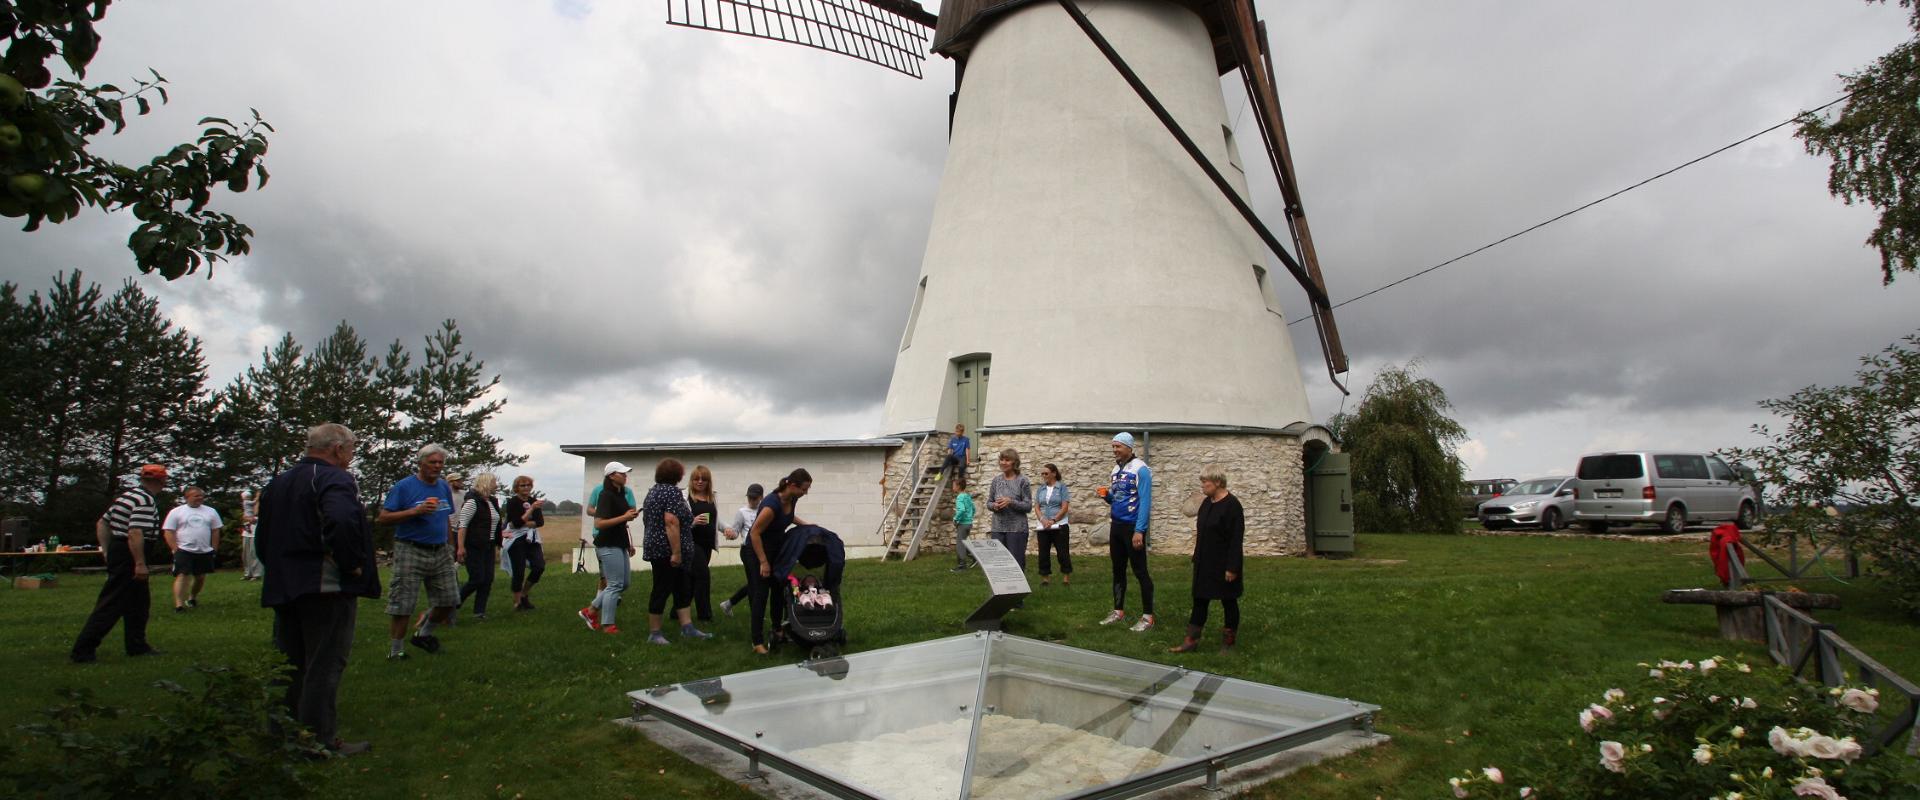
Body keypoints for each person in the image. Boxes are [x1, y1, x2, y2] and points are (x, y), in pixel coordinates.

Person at [256, 423, 379, 756]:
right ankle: (318, 742)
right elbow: (341, 520)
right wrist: (351, 562)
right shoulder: (335, 479)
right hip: (325, 585)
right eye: (352, 449)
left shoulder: (277, 483)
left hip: (285, 585)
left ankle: (280, 737)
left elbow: (262, 537)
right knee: (323, 663)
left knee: (288, 663)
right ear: (338, 449)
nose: (352, 456)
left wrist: (278, 568)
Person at [70, 463, 169, 663]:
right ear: (161, 481)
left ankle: (137, 645)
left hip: (119, 548)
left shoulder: (127, 496)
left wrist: (106, 551)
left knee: (139, 603)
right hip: (130, 553)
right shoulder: (145, 501)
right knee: (113, 602)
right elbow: (135, 532)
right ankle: (83, 650)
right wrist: (140, 563)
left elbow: (103, 522)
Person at [375, 444, 459, 659]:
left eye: (440, 462)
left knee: (449, 600)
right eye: (433, 462)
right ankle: (396, 652)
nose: (437, 466)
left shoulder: (443, 487)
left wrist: (451, 546)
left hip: (440, 550)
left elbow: (446, 518)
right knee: (403, 604)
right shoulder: (404, 487)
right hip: (410, 548)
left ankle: (423, 634)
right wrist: (415, 511)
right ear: (421, 463)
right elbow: (383, 518)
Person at [1171, 465, 1243, 653]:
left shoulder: (1232, 506)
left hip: (1224, 563)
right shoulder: (1206, 504)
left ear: (1218, 482)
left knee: (1229, 601)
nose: (1202, 486)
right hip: (1205, 562)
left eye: (1205, 482)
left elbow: (1236, 539)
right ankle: (1191, 641)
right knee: (1200, 600)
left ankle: (1228, 643)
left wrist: (1232, 567)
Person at [641, 459, 711, 645]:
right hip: (667, 551)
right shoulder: (671, 492)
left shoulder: (653, 492)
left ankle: (687, 627)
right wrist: (676, 553)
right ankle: (654, 633)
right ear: (677, 476)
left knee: (682, 587)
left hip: (658, 548)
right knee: (662, 588)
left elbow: (648, 520)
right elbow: (671, 522)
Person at [746, 468, 812, 655]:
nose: (805, 493)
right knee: (761, 594)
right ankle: (757, 642)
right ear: (792, 485)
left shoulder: (792, 498)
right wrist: (763, 563)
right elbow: (755, 533)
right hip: (756, 551)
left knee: (778, 590)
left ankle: (777, 630)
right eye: (803, 489)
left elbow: (789, 517)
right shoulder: (770, 505)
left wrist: (807, 526)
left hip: (776, 550)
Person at [1098, 432, 1156, 632]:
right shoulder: (1115, 469)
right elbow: (1118, 497)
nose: (1115, 450)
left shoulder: (1141, 469)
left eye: (1118, 446)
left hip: (1133, 527)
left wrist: (1140, 530)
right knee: (1118, 570)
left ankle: (1148, 616)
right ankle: (1118, 611)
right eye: (1113, 446)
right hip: (1117, 525)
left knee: (1140, 572)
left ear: (1129, 447)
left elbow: (1145, 501)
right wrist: (1107, 496)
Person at [580, 462, 638, 634]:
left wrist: (628, 539)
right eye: (622, 473)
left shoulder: (621, 494)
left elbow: (622, 520)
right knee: (614, 584)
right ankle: (608, 625)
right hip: (607, 543)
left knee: (624, 584)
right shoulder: (605, 495)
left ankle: (589, 611)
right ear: (612, 475)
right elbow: (599, 523)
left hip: (619, 542)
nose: (625, 476)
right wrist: (624, 517)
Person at [163, 486, 223, 612]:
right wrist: (175, 548)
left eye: (201, 495)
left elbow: (216, 531)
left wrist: (214, 548)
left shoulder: (210, 511)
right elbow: (168, 531)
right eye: (196, 496)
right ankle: (179, 605)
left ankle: (192, 598)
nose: (200, 498)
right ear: (187, 497)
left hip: (204, 550)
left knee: (200, 577)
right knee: (182, 575)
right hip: (184, 549)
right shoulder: (177, 512)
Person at [455, 473, 505, 620]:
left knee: (487, 579)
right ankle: (452, 605)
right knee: (476, 579)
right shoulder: (472, 502)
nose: (496, 485)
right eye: (494, 482)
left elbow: (494, 523)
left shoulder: (492, 501)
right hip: (474, 545)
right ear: (486, 483)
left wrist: (497, 541)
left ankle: (479, 612)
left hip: (488, 545)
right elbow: (462, 525)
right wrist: (461, 547)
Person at [716, 483, 762, 616]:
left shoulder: (765, 510)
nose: (752, 501)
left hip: (762, 550)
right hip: (748, 550)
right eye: (750, 498)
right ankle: (756, 615)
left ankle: (729, 603)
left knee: (757, 583)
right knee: (755, 584)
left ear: (761, 497)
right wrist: (730, 535)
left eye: (755, 498)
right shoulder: (742, 512)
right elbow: (735, 531)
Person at [503, 476, 546, 611]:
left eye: (528, 485)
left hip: (531, 537)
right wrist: (531, 510)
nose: (526, 487)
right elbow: (514, 523)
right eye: (523, 485)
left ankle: (524, 593)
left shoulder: (534, 501)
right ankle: (517, 603)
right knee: (519, 570)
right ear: (517, 488)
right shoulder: (512, 502)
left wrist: (523, 522)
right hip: (515, 539)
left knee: (539, 566)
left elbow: (539, 522)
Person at [987, 449, 1033, 573]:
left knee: (1016, 564)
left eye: (1007, 460)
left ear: (1015, 463)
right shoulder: (996, 480)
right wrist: (994, 506)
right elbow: (989, 503)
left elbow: (1028, 506)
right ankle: (999, 592)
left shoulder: (1023, 481)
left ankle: (1017, 591)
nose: (1003, 462)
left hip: (1017, 529)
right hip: (998, 528)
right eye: (1001, 459)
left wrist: (1011, 502)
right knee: (998, 564)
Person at [685, 465, 720, 622]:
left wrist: (726, 529)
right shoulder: (685, 498)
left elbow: (716, 520)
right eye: (696, 479)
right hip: (691, 542)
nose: (700, 482)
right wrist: (693, 522)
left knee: (692, 580)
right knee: (703, 576)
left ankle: (676, 611)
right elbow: (677, 521)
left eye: (704, 479)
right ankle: (705, 615)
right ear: (691, 480)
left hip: (707, 544)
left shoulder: (712, 497)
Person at [1034, 463, 1072, 586]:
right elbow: (1037, 507)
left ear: (1054, 473)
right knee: (1043, 552)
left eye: (1046, 473)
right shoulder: (1041, 489)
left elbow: (1065, 506)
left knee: (1062, 552)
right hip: (1043, 525)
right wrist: (1043, 519)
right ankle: (1045, 578)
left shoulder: (1062, 488)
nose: (1044, 476)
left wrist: (1054, 520)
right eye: (1042, 474)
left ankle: (1066, 577)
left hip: (1059, 524)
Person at [948, 481, 977, 572]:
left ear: (958, 486)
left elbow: (961, 510)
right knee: (964, 542)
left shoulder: (960, 497)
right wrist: (970, 518)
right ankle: (974, 557)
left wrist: (956, 519)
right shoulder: (967, 496)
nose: (952, 487)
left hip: (963, 524)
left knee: (960, 544)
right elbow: (973, 508)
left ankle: (962, 566)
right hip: (969, 523)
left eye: (953, 485)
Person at [239, 488, 263, 581]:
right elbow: (245, 516)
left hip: (255, 531)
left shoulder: (260, 505)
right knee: (245, 554)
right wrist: (246, 518)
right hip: (247, 531)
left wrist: (251, 518)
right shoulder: (248, 504)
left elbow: (257, 516)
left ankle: (256, 574)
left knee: (254, 553)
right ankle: (247, 573)